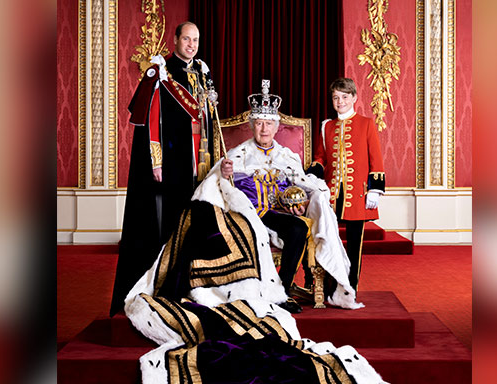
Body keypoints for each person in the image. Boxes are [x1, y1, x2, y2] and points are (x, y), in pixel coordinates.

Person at [216, 80, 361, 311]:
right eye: (259, 123)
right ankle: (250, 289)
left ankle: (281, 290)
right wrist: (225, 174)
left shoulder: (287, 156)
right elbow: (219, 185)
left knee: (299, 228)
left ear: (276, 127)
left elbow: (302, 187)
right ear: (252, 126)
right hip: (247, 213)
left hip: (275, 213)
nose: (264, 129)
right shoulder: (238, 154)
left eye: (269, 124)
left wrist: (300, 204)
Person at [110, 21, 216, 316]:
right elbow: (152, 120)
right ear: (176, 39)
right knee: (173, 224)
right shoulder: (161, 71)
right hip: (173, 159)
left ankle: (193, 282)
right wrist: (156, 161)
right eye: (187, 39)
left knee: (197, 223)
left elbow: (207, 118)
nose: (192, 45)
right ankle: (169, 285)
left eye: (196, 40)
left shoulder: (202, 72)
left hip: (201, 158)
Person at [307, 77, 385, 291]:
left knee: (354, 245)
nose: (340, 101)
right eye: (335, 97)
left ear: (354, 98)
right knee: (330, 241)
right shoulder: (327, 126)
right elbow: (320, 157)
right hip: (331, 194)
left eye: (344, 97)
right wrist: (313, 173)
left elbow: (375, 158)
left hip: (358, 195)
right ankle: (330, 285)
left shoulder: (366, 123)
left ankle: (351, 286)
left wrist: (375, 189)